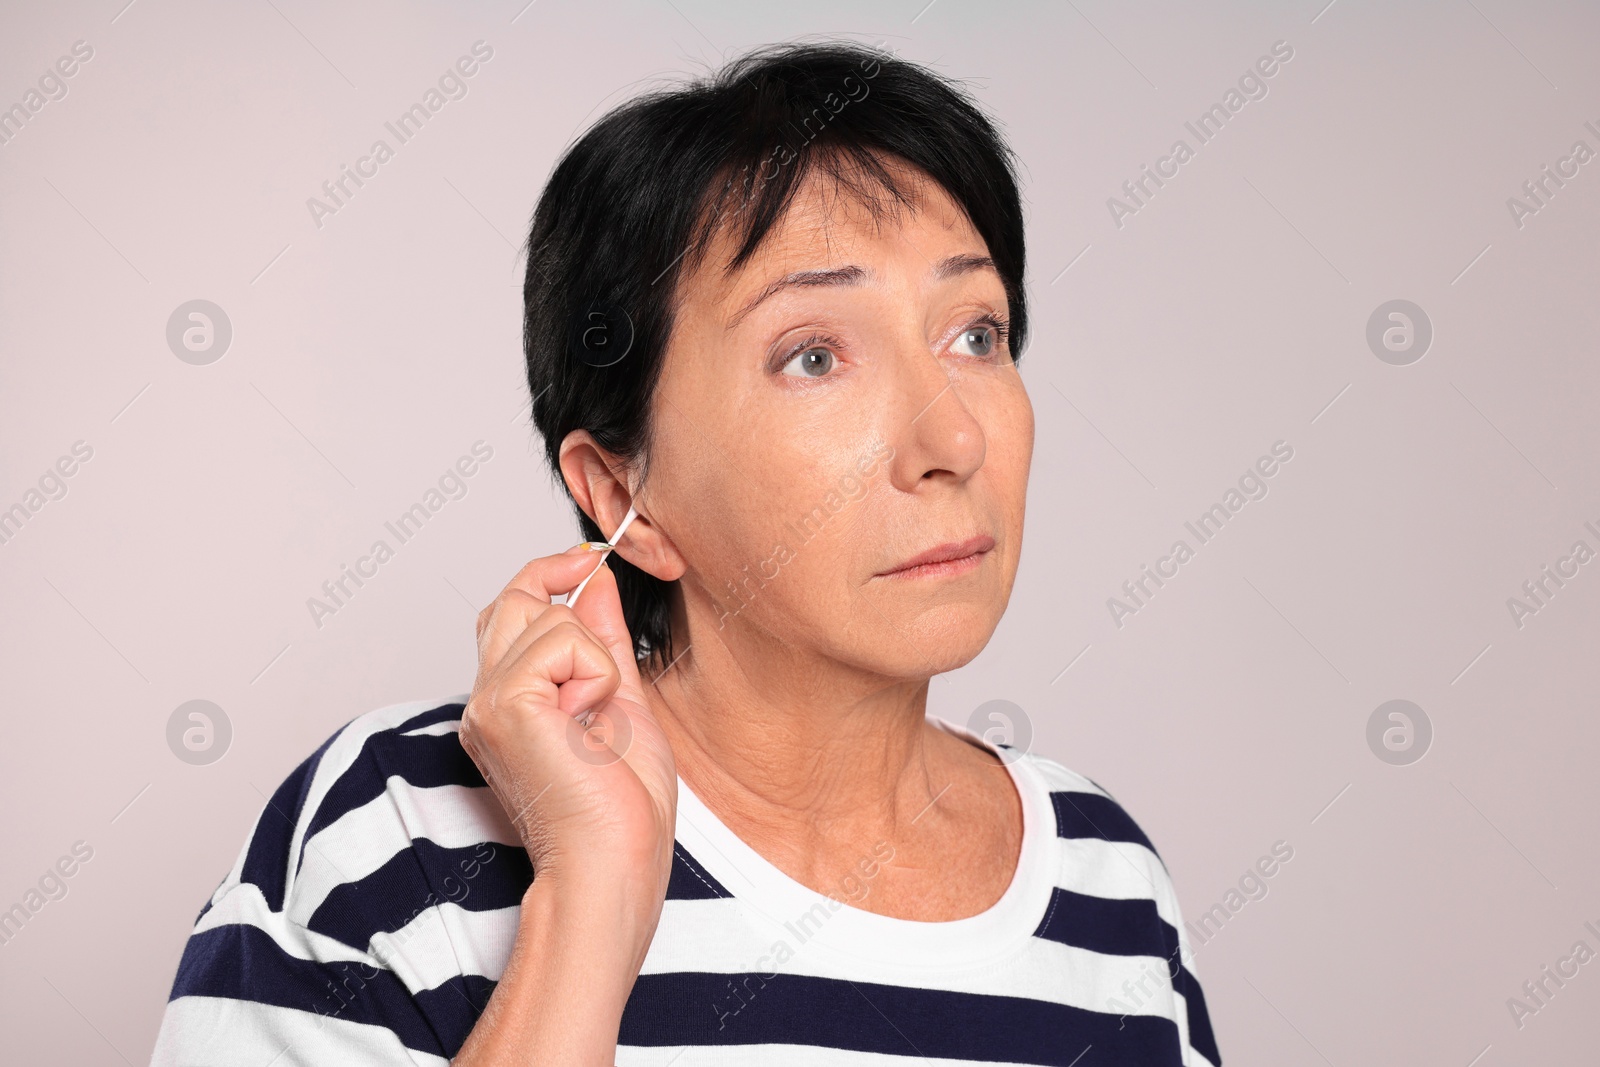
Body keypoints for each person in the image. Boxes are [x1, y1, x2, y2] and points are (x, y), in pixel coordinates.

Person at [152, 39, 1221, 1066]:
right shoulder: (398, 831)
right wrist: (587, 897)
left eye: (974, 333)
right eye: (813, 354)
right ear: (626, 492)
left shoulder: (1105, 882)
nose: (953, 441)